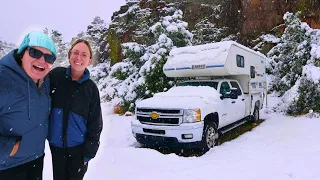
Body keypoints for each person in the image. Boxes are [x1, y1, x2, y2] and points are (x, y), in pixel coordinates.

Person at [0, 31, 56, 180]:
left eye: (49, 57)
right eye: (35, 52)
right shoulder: (3, 78)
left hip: (36, 160)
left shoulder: (45, 82)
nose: (42, 60)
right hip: (7, 167)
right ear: (22, 53)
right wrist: (8, 148)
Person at [48, 39, 103, 180]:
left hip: (79, 150)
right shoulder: (55, 77)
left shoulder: (91, 89)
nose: (79, 58)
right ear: (69, 55)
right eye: (76, 53)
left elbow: (95, 123)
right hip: (56, 148)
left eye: (84, 55)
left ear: (89, 60)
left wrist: (88, 152)